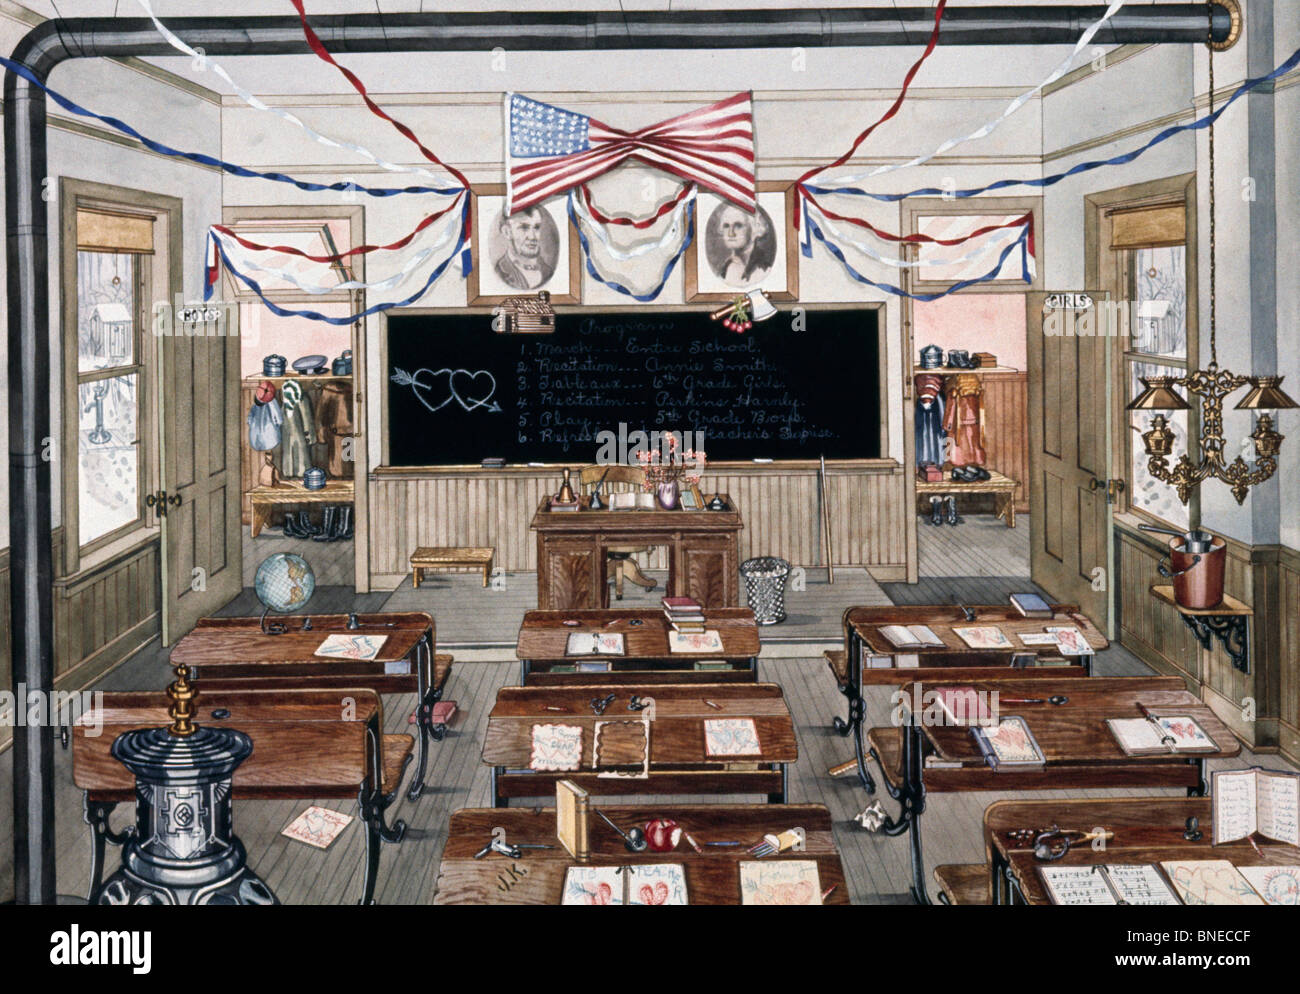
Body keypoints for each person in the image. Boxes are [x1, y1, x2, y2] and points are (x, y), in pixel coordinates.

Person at [706, 202, 776, 287]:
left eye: (738, 226)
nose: (731, 233)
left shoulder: (764, 267)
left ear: (754, 229)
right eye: (726, 226)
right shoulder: (725, 270)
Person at [493, 205, 558, 290]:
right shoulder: (500, 272)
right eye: (524, 227)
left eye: (536, 227)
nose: (532, 237)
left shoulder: (548, 272)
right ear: (507, 232)